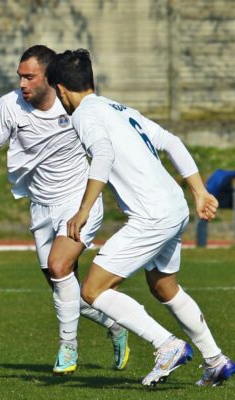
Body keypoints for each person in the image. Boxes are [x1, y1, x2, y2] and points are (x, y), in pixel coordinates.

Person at [46, 48, 235, 387]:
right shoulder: (118, 107)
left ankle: (167, 345)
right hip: (173, 207)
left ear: (61, 90)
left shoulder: (84, 116)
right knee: (164, 286)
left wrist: (84, 209)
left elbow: (102, 154)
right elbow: (172, 142)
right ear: (92, 81)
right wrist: (198, 191)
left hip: (151, 215)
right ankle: (216, 360)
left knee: (93, 290)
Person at [0, 45, 130, 375]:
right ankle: (116, 323)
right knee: (65, 288)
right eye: (20, 77)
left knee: (59, 266)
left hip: (78, 204)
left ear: (50, 79)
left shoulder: (75, 108)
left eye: (29, 77)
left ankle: (67, 348)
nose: (22, 84)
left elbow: (105, 153)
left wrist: (121, 194)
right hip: (40, 207)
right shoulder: (9, 106)